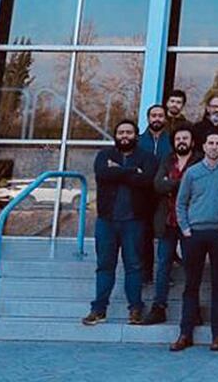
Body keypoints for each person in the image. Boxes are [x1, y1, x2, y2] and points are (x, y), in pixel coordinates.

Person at [170, 131, 218, 352]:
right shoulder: (192, 173)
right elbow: (181, 203)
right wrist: (186, 229)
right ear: (204, 145)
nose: (214, 147)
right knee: (191, 285)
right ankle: (185, 333)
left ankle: (217, 335)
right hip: (195, 235)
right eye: (210, 143)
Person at [83, 120, 158, 327]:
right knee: (105, 266)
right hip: (106, 221)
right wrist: (132, 171)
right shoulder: (105, 155)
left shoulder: (147, 157)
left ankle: (135, 309)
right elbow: (103, 173)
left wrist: (119, 171)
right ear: (115, 135)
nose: (125, 135)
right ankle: (98, 310)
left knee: (134, 266)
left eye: (129, 132)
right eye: (121, 132)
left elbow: (146, 181)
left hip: (134, 221)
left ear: (136, 135)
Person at [144, 125, 195, 325]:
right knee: (163, 264)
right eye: (178, 138)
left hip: (190, 222)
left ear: (192, 142)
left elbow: (196, 186)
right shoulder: (167, 160)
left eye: (185, 138)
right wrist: (178, 183)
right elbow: (157, 185)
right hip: (167, 222)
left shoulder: (198, 160)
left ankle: (193, 309)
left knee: (192, 266)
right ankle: (159, 307)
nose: (182, 141)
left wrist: (171, 183)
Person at [136, 104, 170, 286]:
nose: (157, 119)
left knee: (165, 233)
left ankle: (166, 273)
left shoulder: (171, 141)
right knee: (145, 233)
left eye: (160, 116)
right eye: (153, 115)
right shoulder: (139, 141)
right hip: (143, 194)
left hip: (165, 194)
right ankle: (145, 272)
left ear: (165, 119)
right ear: (148, 118)